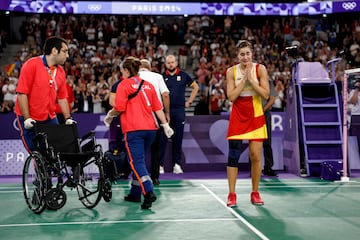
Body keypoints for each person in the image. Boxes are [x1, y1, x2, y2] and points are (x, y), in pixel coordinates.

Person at [104, 56, 174, 209]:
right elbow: (158, 108)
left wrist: (110, 115)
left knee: (137, 163)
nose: (122, 73)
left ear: (127, 70)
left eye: (122, 70)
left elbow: (119, 107)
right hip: (151, 130)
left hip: (134, 130)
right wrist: (165, 125)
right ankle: (135, 193)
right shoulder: (148, 85)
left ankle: (148, 191)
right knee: (138, 159)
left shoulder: (123, 85)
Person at [225, 40, 270, 207]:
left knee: (256, 155)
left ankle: (255, 192)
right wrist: (244, 80)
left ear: (252, 54)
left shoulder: (261, 69)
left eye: (248, 54)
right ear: (237, 56)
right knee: (233, 156)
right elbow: (231, 97)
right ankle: (232, 194)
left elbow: (265, 94)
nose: (245, 57)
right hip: (238, 115)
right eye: (242, 54)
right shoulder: (231, 71)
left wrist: (252, 79)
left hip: (256, 115)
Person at [15, 36, 76, 153]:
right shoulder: (31, 65)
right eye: (64, 51)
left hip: (49, 117)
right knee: (36, 152)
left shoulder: (61, 71)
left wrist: (68, 118)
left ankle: (57, 171)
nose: (67, 56)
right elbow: (22, 94)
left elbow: (62, 98)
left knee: (57, 150)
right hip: (29, 117)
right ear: (54, 51)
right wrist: (27, 118)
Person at [160, 54, 199, 174]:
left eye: (172, 62)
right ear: (165, 64)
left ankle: (176, 165)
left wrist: (189, 101)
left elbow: (196, 87)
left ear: (176, 63)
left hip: (179, 111)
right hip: (164, 111)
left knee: (178, 139)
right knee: (162, 139)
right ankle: (160, 165)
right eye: (168, 62)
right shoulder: (161, 77)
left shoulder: (183, 75)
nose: (170, 64)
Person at [139, 59, 170, 185]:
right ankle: (155, 178)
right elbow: (166, 95)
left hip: (138, 115)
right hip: (156, 114)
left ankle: (139, 177)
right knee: (155, 148)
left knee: (138, 148)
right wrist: (166, 113)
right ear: (149, 68)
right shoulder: (157, 76)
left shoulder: (133, 77)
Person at [263, 80, 278, 177]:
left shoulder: (268, 82)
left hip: (265, 114)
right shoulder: (250, 81)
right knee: (253, 142)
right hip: (252, 114)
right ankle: (253, 168)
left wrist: (263, 110)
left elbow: (272, 99)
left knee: (267, 142)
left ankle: (268, 168)